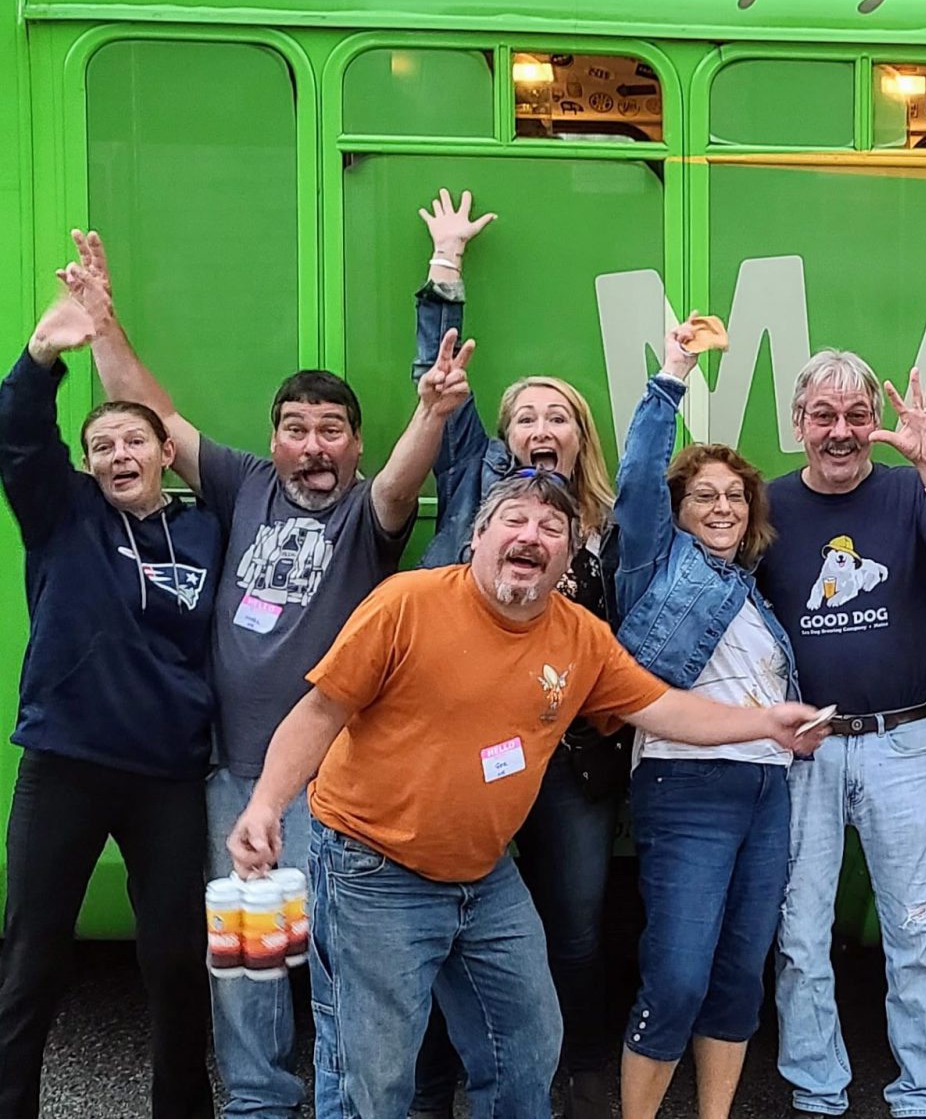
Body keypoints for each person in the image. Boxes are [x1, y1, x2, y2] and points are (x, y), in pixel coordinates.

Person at [224, 473, 830, 1119]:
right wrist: (264, 805)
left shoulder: (581, 636)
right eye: (515, 520)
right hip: (374, 869)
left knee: (527, 1044)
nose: (531, 537)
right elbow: (321, 710)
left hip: (484, 874)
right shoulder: (406, 602)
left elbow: (665, 707)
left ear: (569, 558)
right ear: (478, 535)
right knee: (372, 1075)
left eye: (551, 529)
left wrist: (765, 721)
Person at [65, 229, 460, 1119]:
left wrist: (431, 414)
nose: (313, 447)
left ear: (356, 446)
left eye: (331, 431)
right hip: (233, 774)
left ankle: (347, 1102)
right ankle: (255, 1100)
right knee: (247, 957)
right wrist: (102, 324)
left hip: (336, 785)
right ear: (273, 440)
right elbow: (151, 411)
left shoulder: (369, 513)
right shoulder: (243, 486)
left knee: (339, 958)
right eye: (296, 429)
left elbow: (404, 481)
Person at [408, 188, 627, 1119]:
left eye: (559, 417)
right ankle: (433, 1080)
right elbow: (438, 381)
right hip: (460, 745)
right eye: (526, 415)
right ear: (504, 435)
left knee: (574, 924)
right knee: (438, 920)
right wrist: (445, 270)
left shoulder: (608, 525)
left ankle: (574, 1066)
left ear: (581, 437)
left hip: (567, 759)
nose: (542, 428)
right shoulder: (471, 481)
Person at [0, 289, 223, 1119]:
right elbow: (17, 439)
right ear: (87, 462)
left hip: (166, 775)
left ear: (166, 451)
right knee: (32, 958)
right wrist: (41, 357)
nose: (117, 454)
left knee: (173, 958)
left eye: (133, 439)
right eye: (101, 445)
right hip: (64, 766)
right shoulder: (64, 516)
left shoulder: (206, 531)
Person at [758, 350, 926, 1119]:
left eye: (857, 415)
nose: (841, 431)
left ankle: (920, 1090)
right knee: (800, 932)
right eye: (823, 415)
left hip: (899, 740)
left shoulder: (906, 490)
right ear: (797, 425)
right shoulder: (767, 506)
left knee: (915, 928)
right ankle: (818, 1088)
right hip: (806, 745)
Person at [614, 322, 798, 1118]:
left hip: (768, 789)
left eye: (734, 495)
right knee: (679, 973)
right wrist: (674, 372)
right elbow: (636, 477)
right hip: (686, 784)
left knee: (736, 972)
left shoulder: (750, 590)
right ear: (679, 508)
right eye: (704, 494)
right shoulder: (654, 562)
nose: (722, 505)